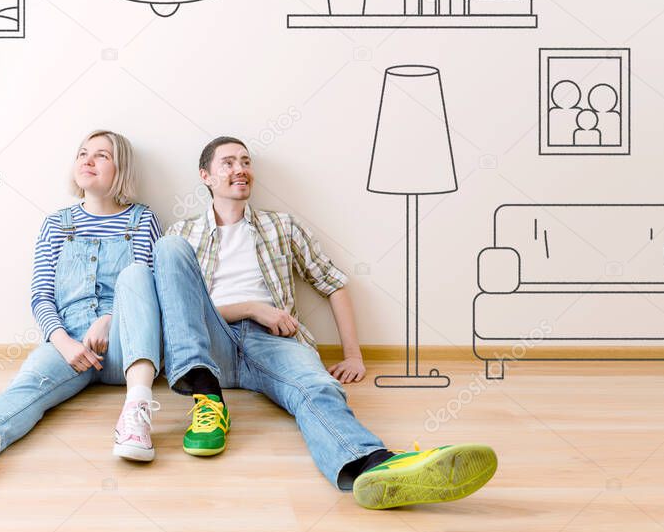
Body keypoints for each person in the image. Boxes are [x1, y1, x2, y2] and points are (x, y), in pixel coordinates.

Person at [152, 136, 498, 509]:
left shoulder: (280, 226)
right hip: (208, 346)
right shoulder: (181, 234)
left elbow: (333, 283)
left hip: (273, 339)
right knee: (167, 251)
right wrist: (252, 307)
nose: (240, 169)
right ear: (206, 176)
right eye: (228, 163)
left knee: (318, 387)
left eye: (246, 162)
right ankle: (205, 392)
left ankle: (372, 467)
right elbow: (176, 310)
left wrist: (353, 355)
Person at [0, 130, 164, 486]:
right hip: (70, 344)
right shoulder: (56, 225)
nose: (87, 160)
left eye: (102, 155)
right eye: (82, 153)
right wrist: (63, 342)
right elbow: (41, 296)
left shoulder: (142, 221)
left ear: (121, 169)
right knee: (31, 382)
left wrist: (111, 320)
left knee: (138, 273)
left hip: (128, 345)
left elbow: (150, 292)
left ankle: (135, 419)